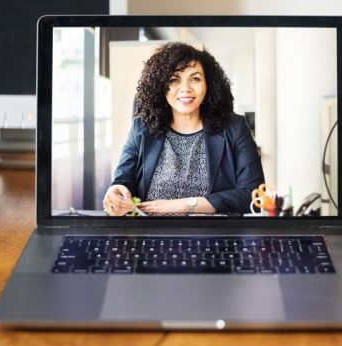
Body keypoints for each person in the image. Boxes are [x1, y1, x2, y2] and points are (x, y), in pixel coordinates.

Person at [103, 42, 264, 216]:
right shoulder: (141, 128)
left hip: (214, 239)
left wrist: (184, 205)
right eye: (174, 80)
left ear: (208, 84)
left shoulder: (234, 127)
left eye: (195, 79)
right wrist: (116, 191)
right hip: (152, 237)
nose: (185, 88)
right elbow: (123, 181)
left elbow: (253, 195)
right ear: (160, 87)